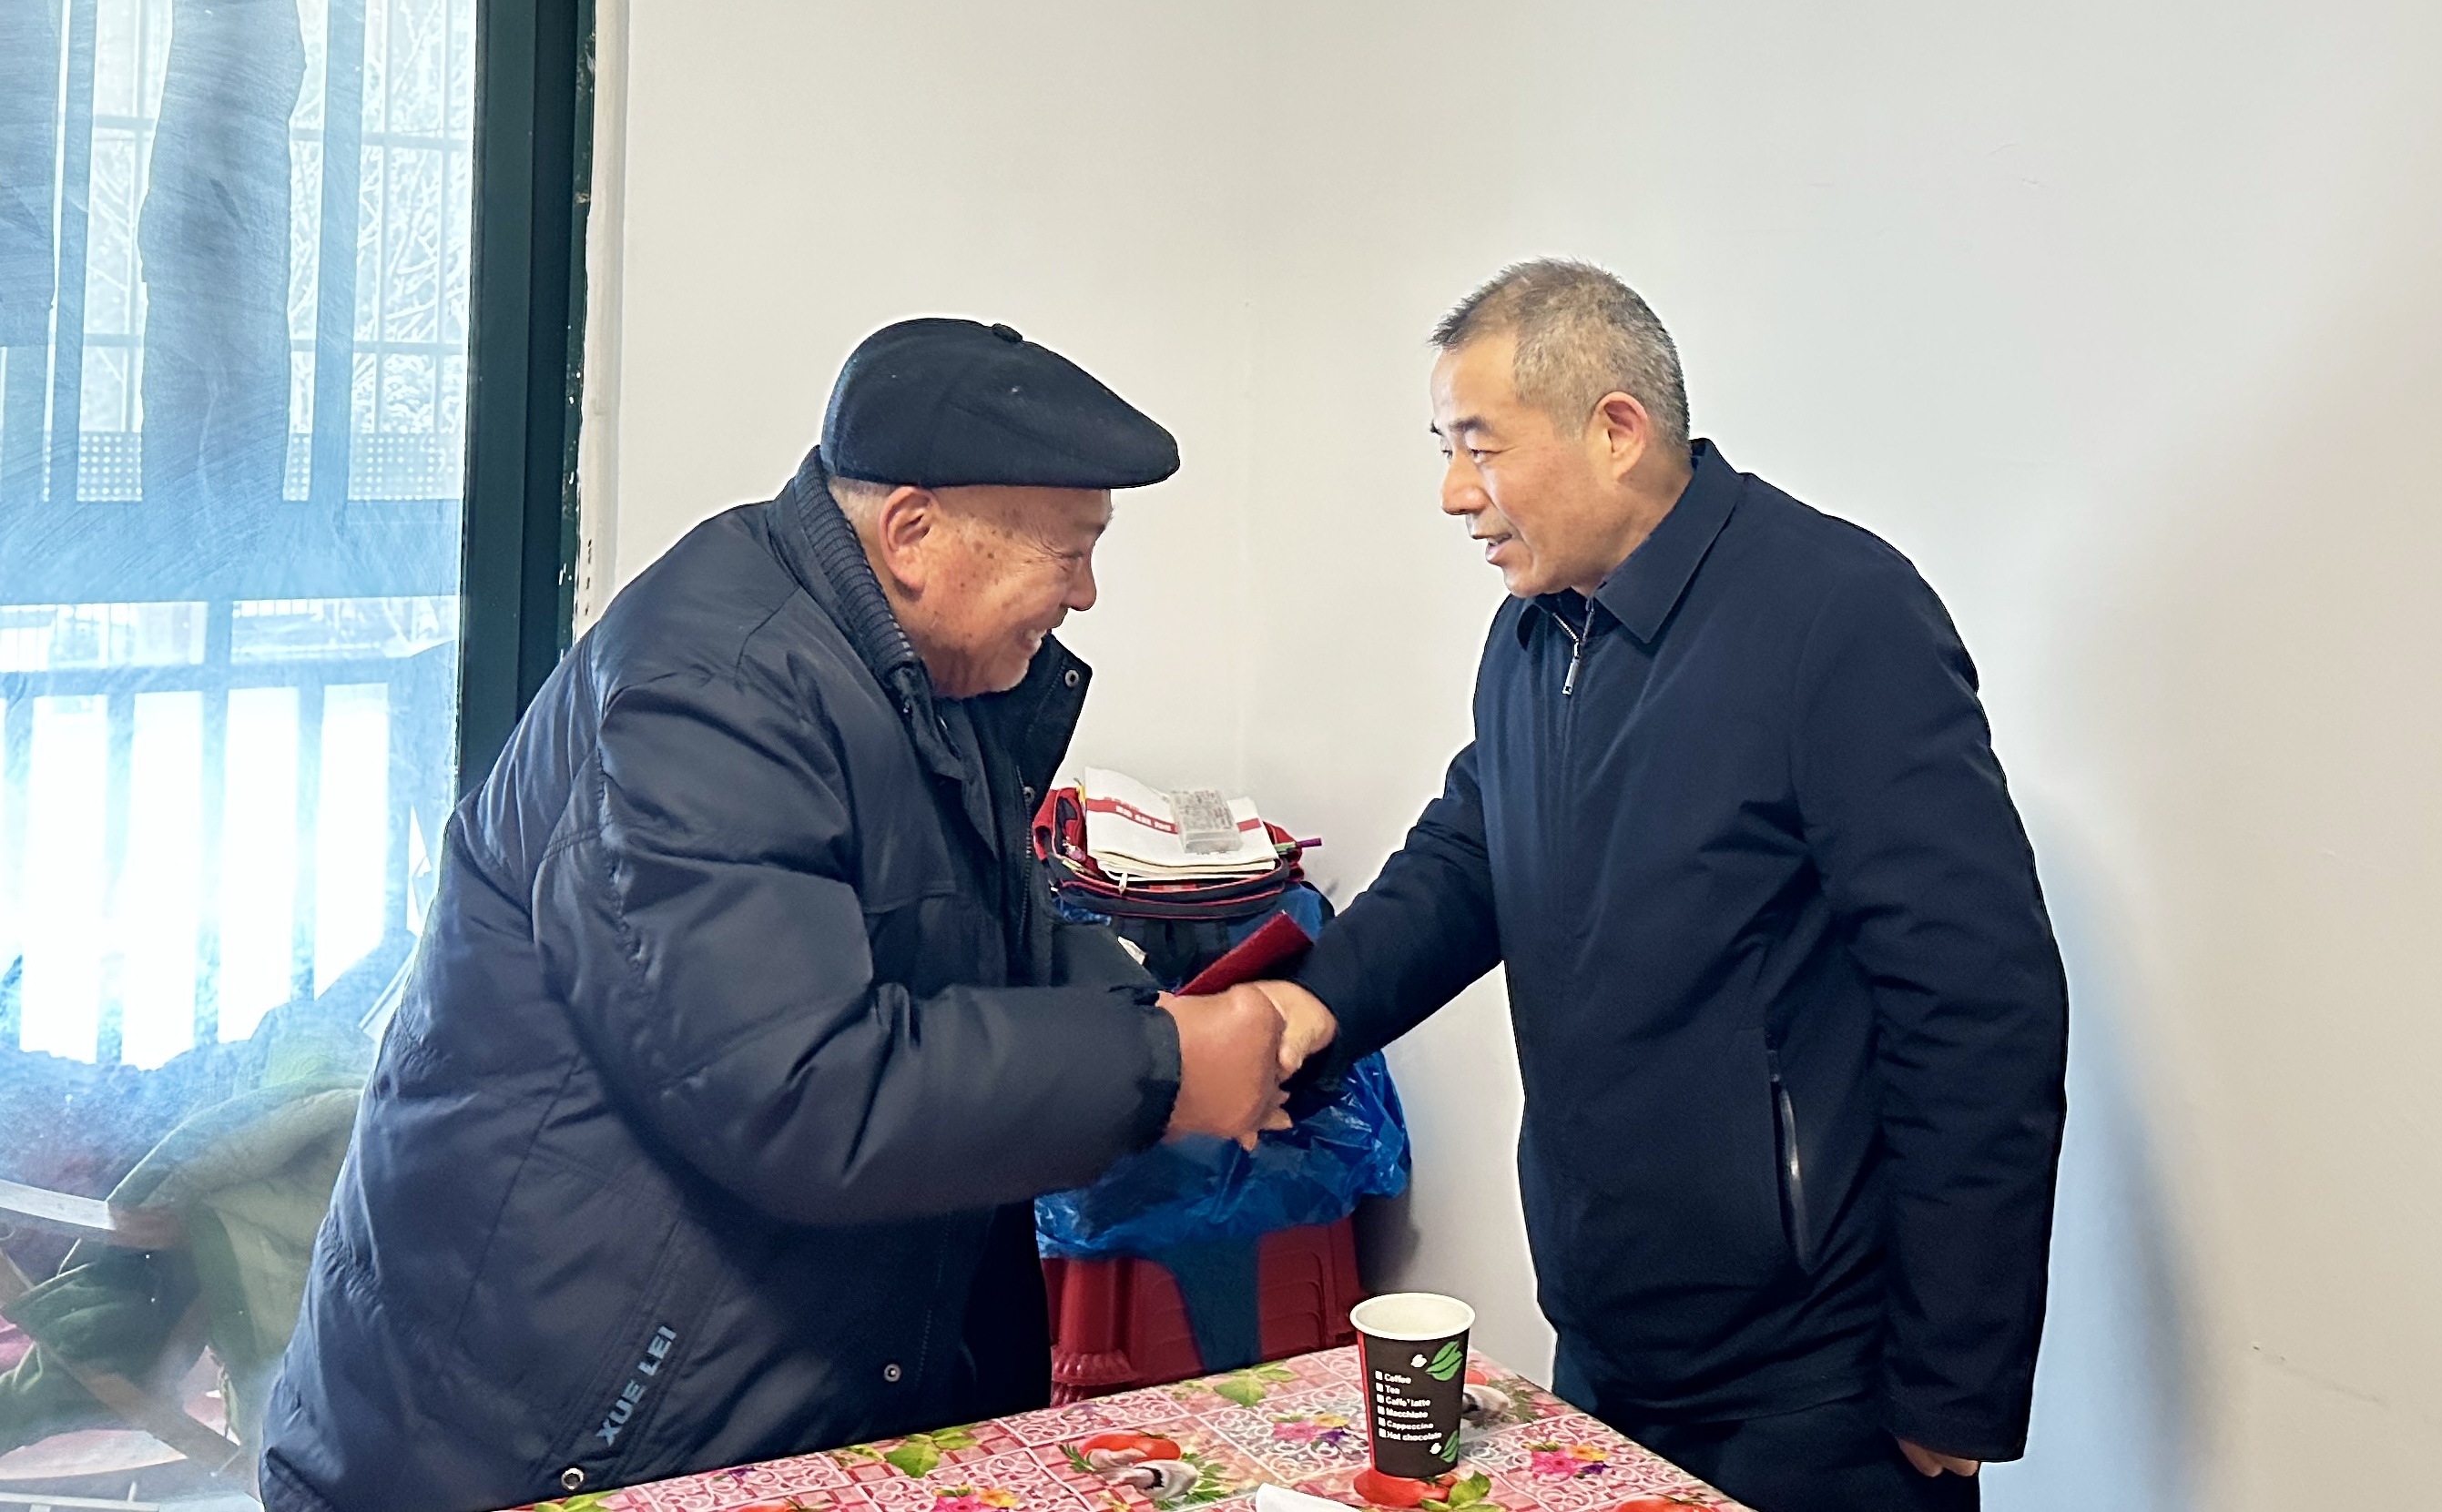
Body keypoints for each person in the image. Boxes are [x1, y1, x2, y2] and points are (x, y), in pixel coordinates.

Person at [260, 318, 1291, 1512]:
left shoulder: (908, 671)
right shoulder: (710, 690)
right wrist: (1158, 1067)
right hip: (543, 1433)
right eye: (1068, 552)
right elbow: (797, 1089)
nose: (1085, 594)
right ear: (912, 532)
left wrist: (1151, 1013)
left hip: (732, 1398)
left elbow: (963, 947)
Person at [1258, 261, 2068, 1512]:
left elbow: (1979, 1002)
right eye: (1443, 449)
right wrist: (1304, 1008)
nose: (1453, 492)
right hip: (1607, 1339)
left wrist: (1954, 1377)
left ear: (1617, 429)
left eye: (1480, 446)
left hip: (1820, 1385)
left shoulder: (1836, 616)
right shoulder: (1535, 629)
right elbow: (1472, 852)